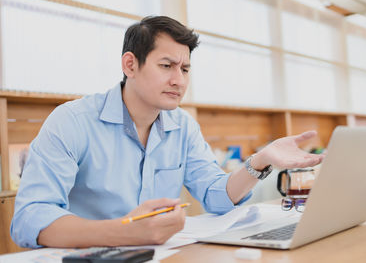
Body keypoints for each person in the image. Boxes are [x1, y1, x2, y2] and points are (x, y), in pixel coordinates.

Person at [11, 16, 324, 249]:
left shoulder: (183, 125)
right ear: (130, 65)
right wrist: (124, 231)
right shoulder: (73, 121)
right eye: (166, 66)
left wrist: (259, 161)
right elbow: (30, 218)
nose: (179, 80)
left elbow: (215, 195)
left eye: (185, 69)